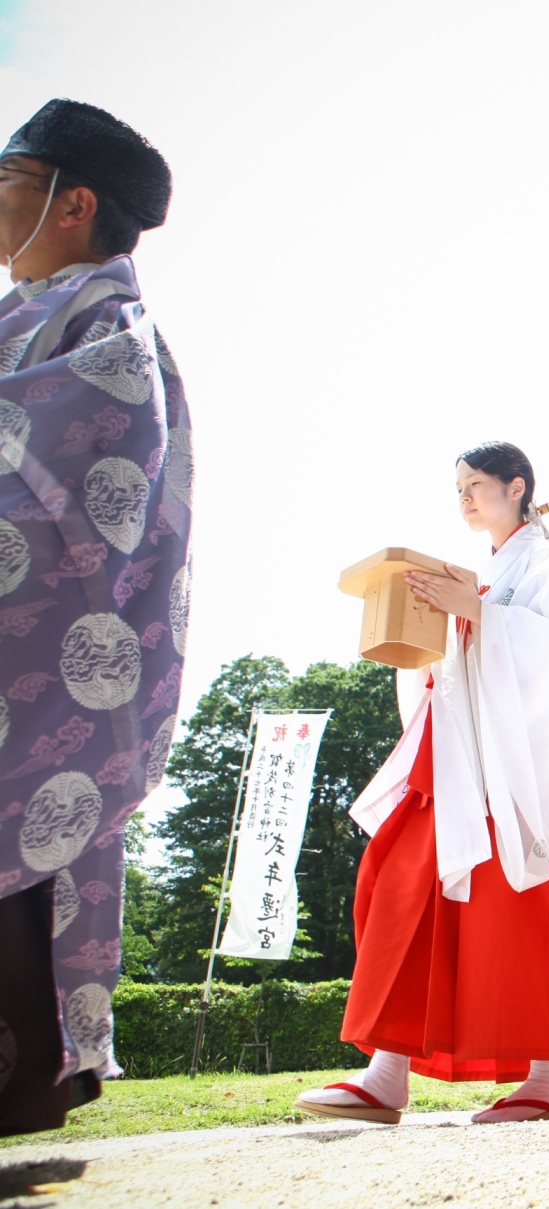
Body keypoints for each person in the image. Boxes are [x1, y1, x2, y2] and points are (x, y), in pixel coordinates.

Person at [296, 443, 549, 1125]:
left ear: (517, 487)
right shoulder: (489, 567)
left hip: (513, 767)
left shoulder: (544, 562)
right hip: (456, 752)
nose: (465, 497)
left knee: (525, 904)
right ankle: (387, 1070)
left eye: (476, 485)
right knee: (401, 883)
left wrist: (475, 611)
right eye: (459, 488)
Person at [0, 100, 190, 1138]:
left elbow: (78, 500)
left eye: (7, 175)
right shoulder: (32, 312)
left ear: (71, 203)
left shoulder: (108, 329)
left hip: (34, 665)